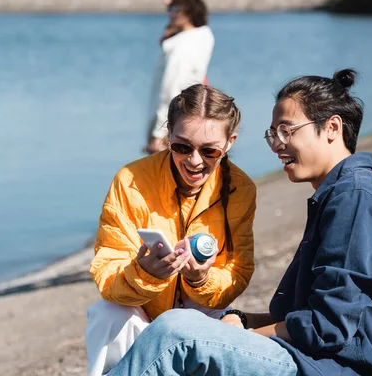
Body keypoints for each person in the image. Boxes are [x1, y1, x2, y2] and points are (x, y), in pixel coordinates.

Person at [107, 69, 372, 376]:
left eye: (286, 132)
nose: (276, 145)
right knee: (193, 325)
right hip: (320, 358)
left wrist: (235, 335)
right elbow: (304, 316)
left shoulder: (356, 197)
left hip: (343, 367)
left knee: (176, 334)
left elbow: (327, 327)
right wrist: (242, 318)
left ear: (332, 127)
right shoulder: (339, 194)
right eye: (272, 134)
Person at [86, 84, 257, 376]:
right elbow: (107, 269)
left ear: (230, 143)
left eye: (210, 150)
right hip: (144, 308)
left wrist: (201, 278)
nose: (194, 160)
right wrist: (145, 273)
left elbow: (236, 274)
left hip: (204, 311)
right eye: (181, 146)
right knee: (106, 313)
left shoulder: (239, 189)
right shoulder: (131, 181)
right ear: (168, 136)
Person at [145, 0, 215, 155]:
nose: (171, 13)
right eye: (170, 9)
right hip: (189, 114)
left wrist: (158, 133)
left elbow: (170, 89)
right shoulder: (203, 36)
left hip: (172, 120)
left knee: (164, 175)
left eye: (175, 9)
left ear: (189, 12)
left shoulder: (181, 47)